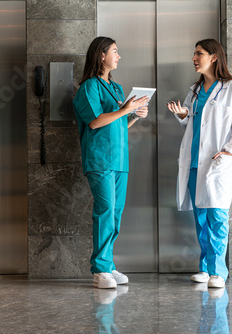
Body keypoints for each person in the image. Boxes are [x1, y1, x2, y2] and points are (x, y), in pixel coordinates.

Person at [167, 39, 232, 288]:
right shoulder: (194, 90)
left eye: (198, 54)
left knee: (218, 216)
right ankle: (205, 268)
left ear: (214, 57)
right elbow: (193, 122)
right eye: (194, 54)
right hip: (194, 163)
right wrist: (183, 116)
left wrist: (227, 152)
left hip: (217, 162)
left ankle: (218, 272)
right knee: (200, 217)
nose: (194, 58)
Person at [73, 36, 149, 289]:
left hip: (119, 159)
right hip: (100, 159)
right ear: (101, 55)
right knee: (105, 211)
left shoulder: (116, 89)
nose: (119, 56)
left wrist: (134, 116)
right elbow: (94, 121)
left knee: (115, 214)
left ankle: (108, 264)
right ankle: (100, 270)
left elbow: (118, 125)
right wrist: (125, 110)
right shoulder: (89, 87)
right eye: (115, 51)